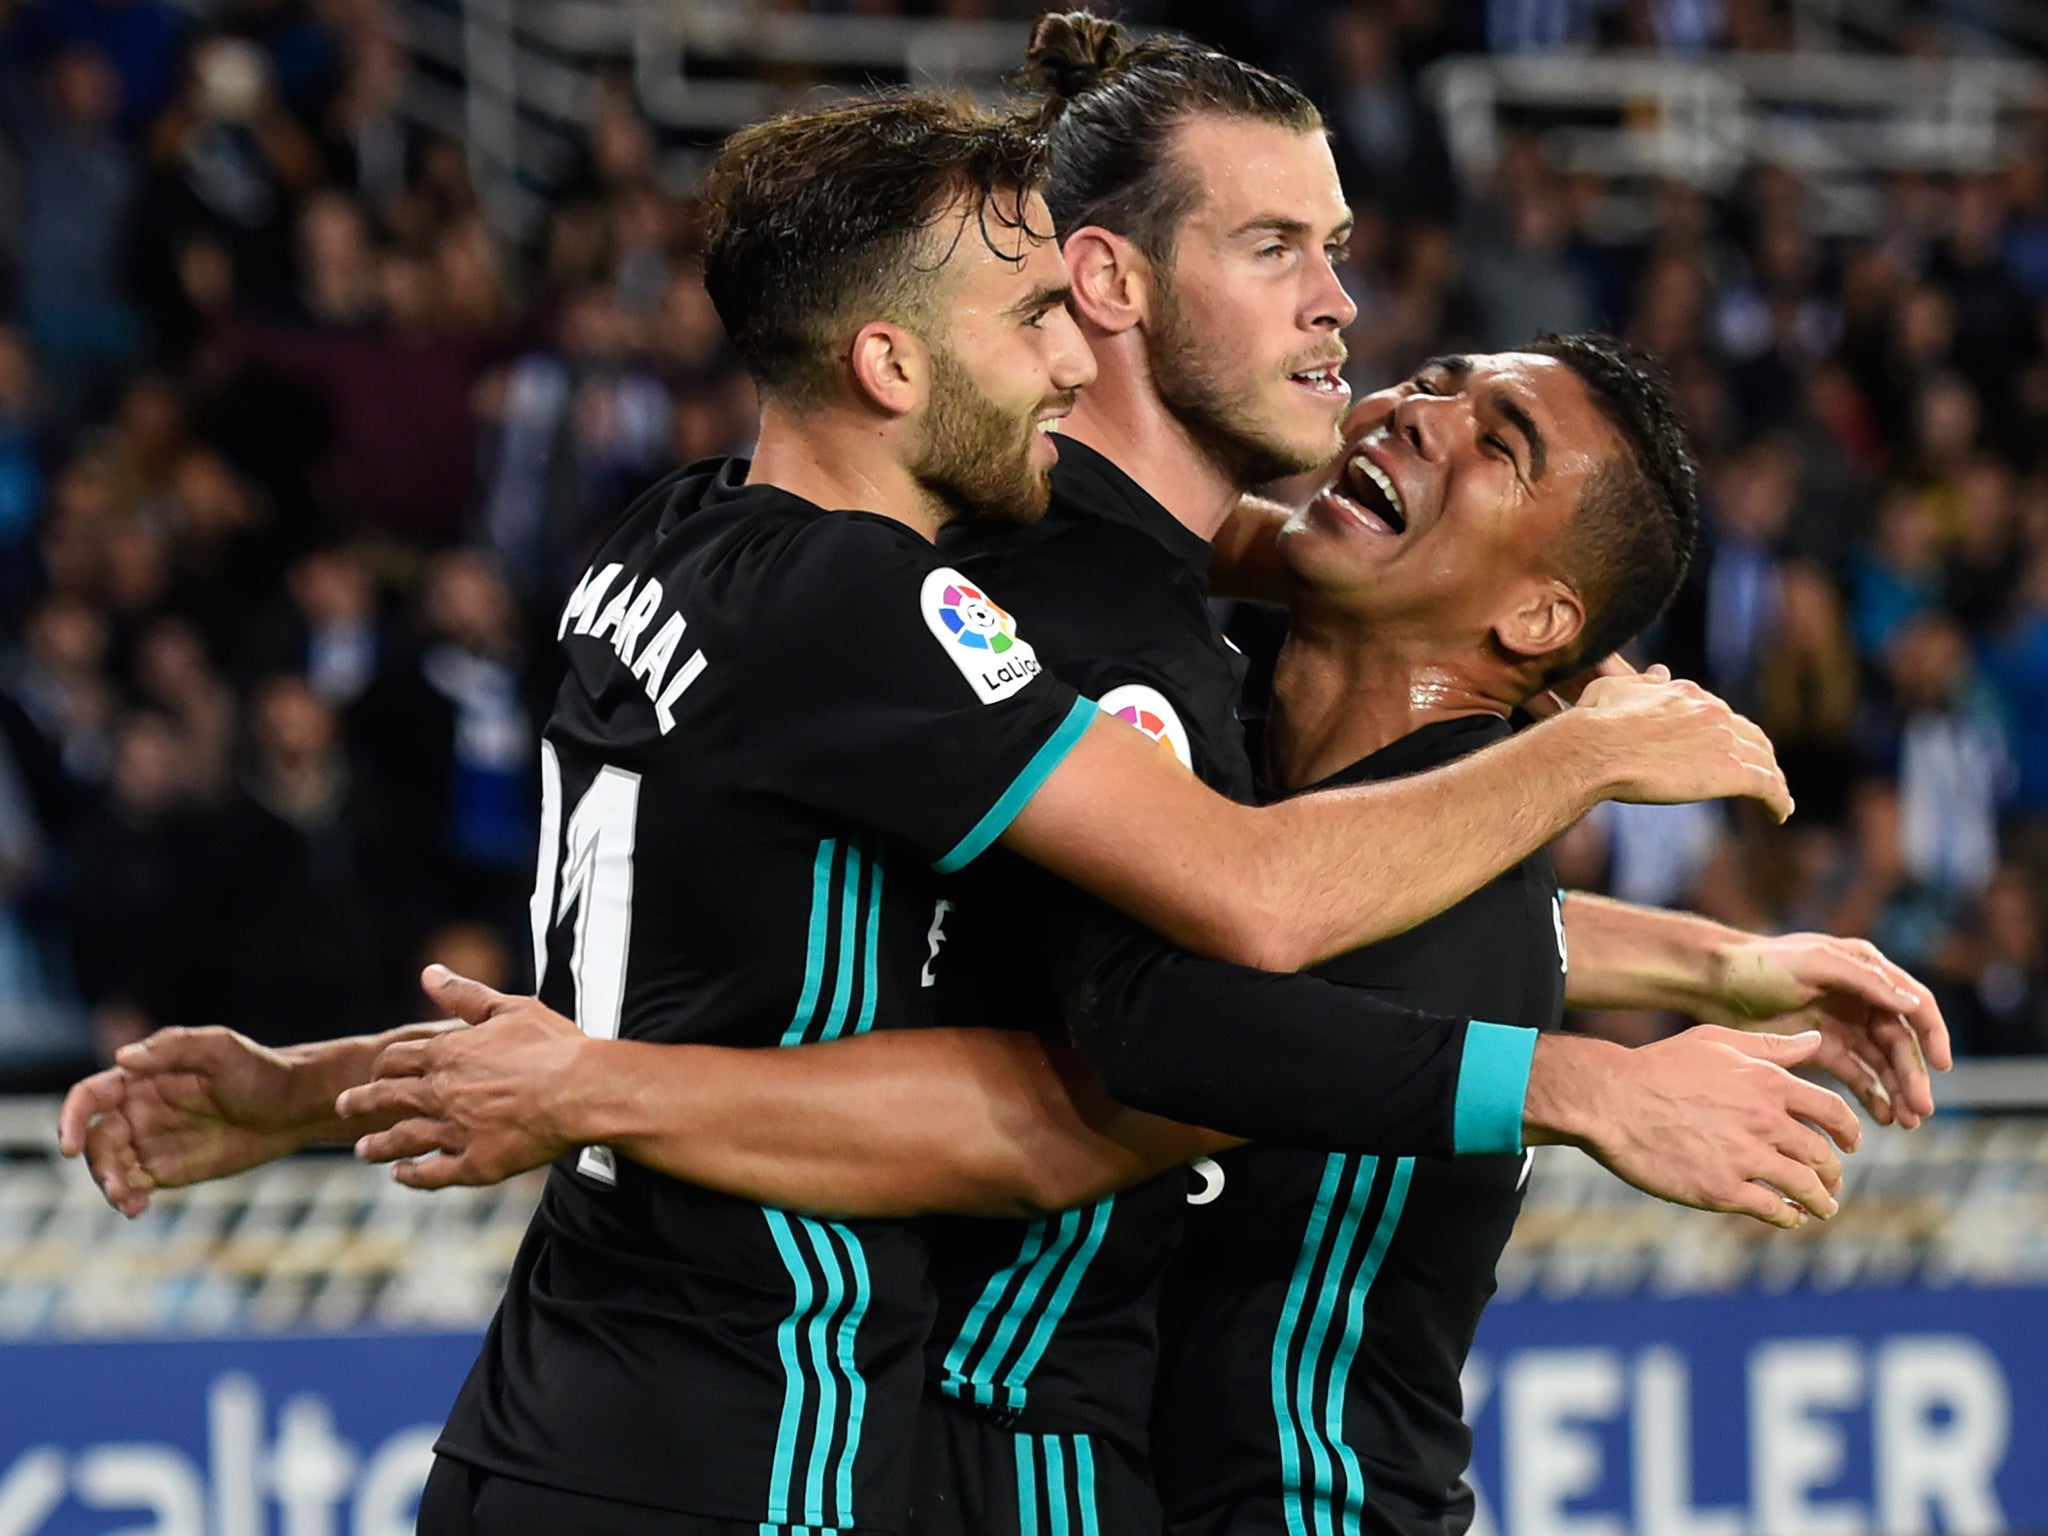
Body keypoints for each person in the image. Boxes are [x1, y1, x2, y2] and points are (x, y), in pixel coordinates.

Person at [66, 60, 1927, 1536]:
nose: (1346, 319)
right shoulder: (991, 622)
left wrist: (1694, 955)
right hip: (836, 1442)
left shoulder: (711, 532)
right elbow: (1184, 995)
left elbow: (755, 948)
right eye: (1277, 249)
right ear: (1099, 292)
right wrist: (1590, 889)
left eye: (1340, 248)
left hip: (576, 1401)